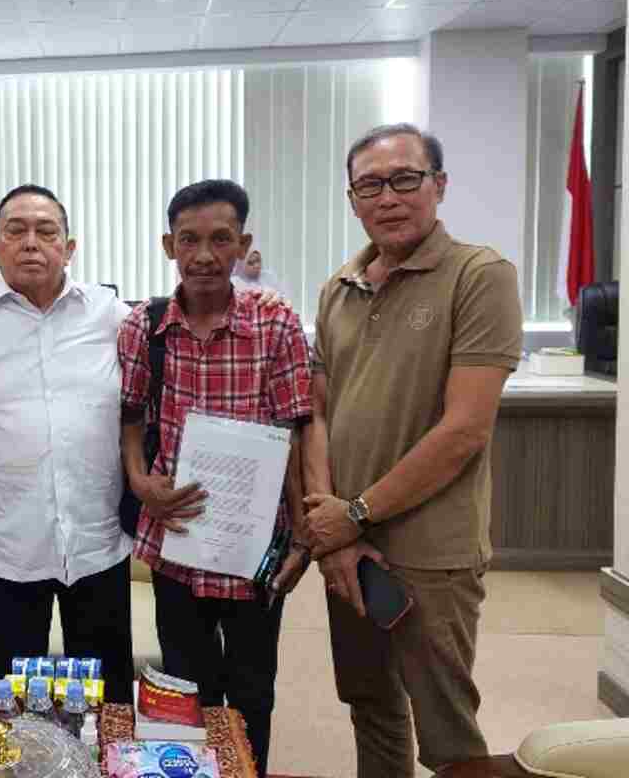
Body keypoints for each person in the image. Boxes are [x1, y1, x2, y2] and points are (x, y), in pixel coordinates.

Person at [302, 123, 523, 778]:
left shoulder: (480, 276)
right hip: (348, 546)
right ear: (352, 200)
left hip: (431, 552)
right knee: (371, 705)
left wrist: (356, 513)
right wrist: (331, 527)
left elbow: (464, 431)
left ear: (439, 185)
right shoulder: (339, 286)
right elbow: (318, 413)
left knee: (447, 731)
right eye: (370, 185)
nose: (389, 197)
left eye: (405, 179)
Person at [117, 178, 313, 776]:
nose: (204, 255)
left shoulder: (275, 322)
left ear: (243, 244)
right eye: (189, 240)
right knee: (185, 689)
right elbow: (130, 416)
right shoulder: (144, 326)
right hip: (179, 541)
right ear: (168, 245)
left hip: (254, 547)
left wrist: (302, 536)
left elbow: (296, 429)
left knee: (253, 691)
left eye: (221, 239)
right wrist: (138, 481)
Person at [0, 184, 136, 705]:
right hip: (1, 547)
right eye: (16, 231)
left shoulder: (110, 316)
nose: (31, 242)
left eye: (46, 231)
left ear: (69, 247)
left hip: (95, 542)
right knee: (2, 698)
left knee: (104, 698)